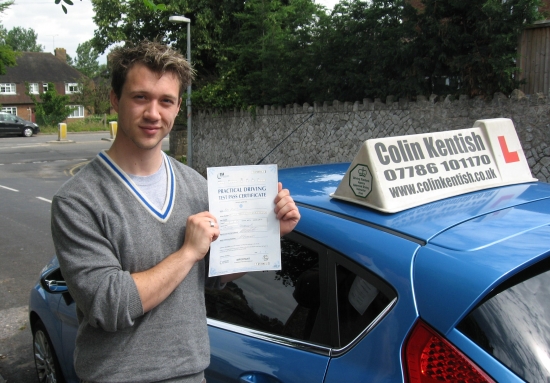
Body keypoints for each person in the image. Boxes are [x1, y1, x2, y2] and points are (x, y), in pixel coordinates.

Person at [51, 40, 300, 383]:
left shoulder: (196, 186)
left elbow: (214, 273)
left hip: (190, 373)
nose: (154, 113)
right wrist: (187, 253)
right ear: (114, 99)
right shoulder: (78, 200)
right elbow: (109, 305)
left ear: (178, 106)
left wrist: (270, 232)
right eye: (141, 97)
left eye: (166, 101)